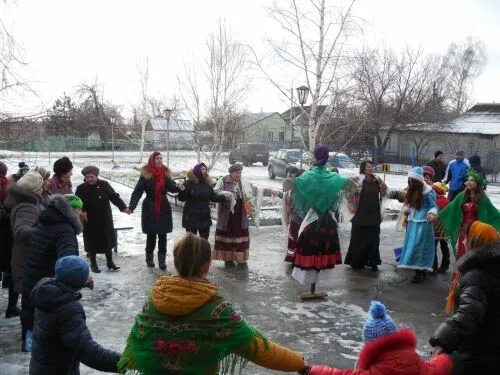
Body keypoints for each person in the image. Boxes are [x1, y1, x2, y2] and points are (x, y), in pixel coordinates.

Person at [118, 233, 307, 374]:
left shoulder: (155, 299)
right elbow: (258, 348)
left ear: (176, 262)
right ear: (207, 265)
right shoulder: (217, 309)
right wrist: (299, 363)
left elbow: (137, 339)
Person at [305, 301, 452, 375]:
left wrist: (312, 369)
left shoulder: (374, 370)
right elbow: (435, 369)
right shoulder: (414, 360)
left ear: (369, 344)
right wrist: (443, 357)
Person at [29, 255, 121, 374]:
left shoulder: (48, 294)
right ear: (77, 281)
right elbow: (86, 350)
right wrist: (124, 362)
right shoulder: (67, 309)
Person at [430, 221, 500, 374]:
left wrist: (443, 341)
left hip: (476, 352)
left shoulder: (477, 276)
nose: (463, 242)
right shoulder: (494, 267)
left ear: (476, 241)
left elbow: (469, 313)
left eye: (466, 238)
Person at [21, 194, 83, 353]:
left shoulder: (46, 221)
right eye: (79, 209)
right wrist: (82, 277)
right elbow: (67, 262)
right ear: (71, 210)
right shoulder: (65, 230)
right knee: (46, 343)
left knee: (31, 323)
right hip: (48, 287)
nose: (82, 213)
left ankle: (28, 347)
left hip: (33, 280)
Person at [289, 144, 349, 287]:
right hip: (327, 223)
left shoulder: (307, 177)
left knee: (309, 250)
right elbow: (342, 193)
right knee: (323, 250)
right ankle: (315, 284)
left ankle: (309, 283)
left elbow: (296, 192)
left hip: (311, 221)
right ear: (327, 156)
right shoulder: (334, 177)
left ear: (315, 155)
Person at [3, 171, 44, 349]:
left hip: (27, 257)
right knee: (30, 304)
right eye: (41, 186)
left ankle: (30, 340)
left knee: (31, 302)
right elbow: (21, 231)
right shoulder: (27, 206)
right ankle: (28, 341)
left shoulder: (28, 202)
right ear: (35, 189)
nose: (44, 189)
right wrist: (45, 232)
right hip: (28, 259)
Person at [128, 151, 181, 270]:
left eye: (161, 158)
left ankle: (162, 261)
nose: (159, 160)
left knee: (163, 235)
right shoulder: (146, 174)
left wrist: (178, 186)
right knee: (151, 235)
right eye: (157, 158)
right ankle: (149, 258)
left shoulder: (165, 173)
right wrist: (131, 207)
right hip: (149, 207)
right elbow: (137, 191)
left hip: (163, 207)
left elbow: (172, 187)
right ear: (152, 160)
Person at [76, 165, 130, 273]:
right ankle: (93, 264)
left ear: (96, 176)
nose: (89, 179)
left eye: (92, 177)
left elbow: (114, 197)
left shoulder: (105, 185)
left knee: (107, 240)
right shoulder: (81, 188)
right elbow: (77, 203)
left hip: (104, 218)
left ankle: (110, 262)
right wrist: (81, 211)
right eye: (87, 177)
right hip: (89, 219)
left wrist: (123, 208)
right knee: (92, 241)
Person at [437, 170, 500, 260]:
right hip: (463, 231)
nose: (468, 182)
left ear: (478, 184)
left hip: (476, 231)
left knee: (473, 254)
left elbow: (493, 212)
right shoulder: (462, 195)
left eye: (472, 180)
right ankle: (460, 273)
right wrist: (437, 216)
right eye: (469, 180)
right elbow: (450, 208)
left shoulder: (483, 198)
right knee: (462, 253)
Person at [344, 160, 388, 271]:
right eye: (368, 167)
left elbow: (386, 191)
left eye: (371, 166)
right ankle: (357, 261)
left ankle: (373, 261)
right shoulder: (357, 180)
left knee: (373, 239)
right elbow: (347, 191)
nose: (370, 168)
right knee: (358, 239)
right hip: (360, 215)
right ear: (363, 168)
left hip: (374, 214)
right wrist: (351, 204)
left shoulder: (377, 180)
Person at [397, 167, 438, 283]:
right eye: (409, 180)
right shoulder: (413, 190)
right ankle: (418, 271)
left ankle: (420, 272)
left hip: (423, 223)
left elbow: (434, 206)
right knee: (413, 246)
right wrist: (408, 210)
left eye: (411, 180)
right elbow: (412, 204)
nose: (409, 182)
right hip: (413, 222)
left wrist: (432, 214)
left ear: (417, 181)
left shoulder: (428, 192)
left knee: (420, 247)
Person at [213, 163, 257, 267]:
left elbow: (253, 191)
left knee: (240, 234)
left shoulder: (244, 182)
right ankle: (228, 259)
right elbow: (215, 192)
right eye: (237, 173)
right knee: (228, 235)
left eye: (240, 172)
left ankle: (240, 258)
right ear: (231, 173)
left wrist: (270, 192)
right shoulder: (223, 180)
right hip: (228, 214)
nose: (239, 175)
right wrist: (226, 194)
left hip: (241, 213)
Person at [178, 162, 227, 240]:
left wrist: (225, 197)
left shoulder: (207, 184)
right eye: (202, 169)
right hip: (191, 216)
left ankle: (203, 253)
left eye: (205, 169)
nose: (204, 171)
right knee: (191, 241)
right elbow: (181, 198)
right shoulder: (188, 183)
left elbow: (213, 197)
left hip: (204, 217)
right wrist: (182, 191)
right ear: (197, 171)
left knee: (204, 241)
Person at [0, 161, 19, 318]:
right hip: (8, 236)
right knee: (12, 271)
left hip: (6, 234)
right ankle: (11, 307)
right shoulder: (8, 187)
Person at [432, 182, 450, 273]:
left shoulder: (437, 200)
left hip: (436, 229)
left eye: (433, 190)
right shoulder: (446, 200)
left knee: (433, 248)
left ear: (437, 191)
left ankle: (433, 266)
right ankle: (445, 265)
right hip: (444, 229)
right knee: (444, 247)